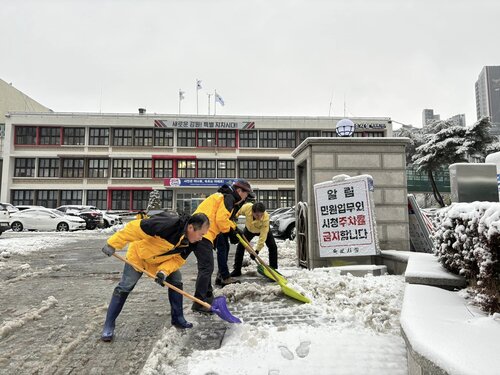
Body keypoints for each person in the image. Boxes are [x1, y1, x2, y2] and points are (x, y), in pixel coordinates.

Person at [100, 212, 210, 342]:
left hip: (160, 262)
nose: (201, 238)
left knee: (176, 281)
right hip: (138, 256)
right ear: (191, 227)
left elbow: (177, 260)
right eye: (201, 234)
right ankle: (109, 325)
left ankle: (178, 318)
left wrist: (163, 271)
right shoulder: (168, 224)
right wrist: (113, 243)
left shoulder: (192, 242)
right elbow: (134, 228)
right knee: (125, 286)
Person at [191, 179, 253, 313]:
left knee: (206, 267)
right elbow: (221, 220)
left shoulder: (226, 197)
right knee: (207, 267)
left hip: (202, 231)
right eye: (246, 194)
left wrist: (235, 229)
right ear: (239, 191)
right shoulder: (229, 198)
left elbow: (224, 219)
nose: (246, 197)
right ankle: (199, 302)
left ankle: (207, 297)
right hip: (202, 233)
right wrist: (231, 232)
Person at [230, 202, 278, 277]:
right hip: (249, 229)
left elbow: (263, 237)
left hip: (262, 230)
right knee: (240, 247)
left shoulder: (265, 218)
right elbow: (238, 210)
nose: (259, 217)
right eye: (257, 215)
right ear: (252, 212)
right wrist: (234, 217)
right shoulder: (247, 208)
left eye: (261, 214)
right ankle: (237, 270)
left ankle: (273, 269)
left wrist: (256, 251)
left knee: (273, 247)